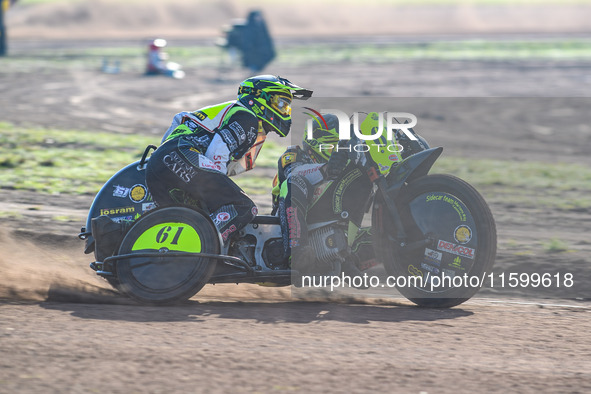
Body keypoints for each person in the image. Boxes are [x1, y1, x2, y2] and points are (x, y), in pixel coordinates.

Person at [144, 75, 312, 246]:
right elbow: (218, 150)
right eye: (281, 104)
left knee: (194, 216)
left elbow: (179, 119)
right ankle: (203, 249)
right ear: (260, 97)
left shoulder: (231, 111)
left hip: (167, 160)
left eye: (287, 107)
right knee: (242, 207)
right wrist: (216, 185)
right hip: (181, 155)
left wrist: (164, 159)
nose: (285, 112)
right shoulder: (247, 117)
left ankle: (186, 253)